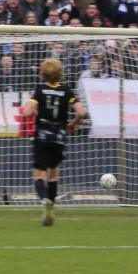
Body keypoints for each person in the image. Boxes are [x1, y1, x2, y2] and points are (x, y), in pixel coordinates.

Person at [20, 58, 86, 226]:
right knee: (54, 173)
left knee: (39, 173)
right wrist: (73, 124)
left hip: (42, 136)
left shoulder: (40, 90)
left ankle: (44, 200)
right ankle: (51, 206)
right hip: (59, 137)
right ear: (59, 72)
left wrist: (35, 110)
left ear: (43, 73)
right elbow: (81, 112)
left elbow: (26, 112)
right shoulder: (67, 91)